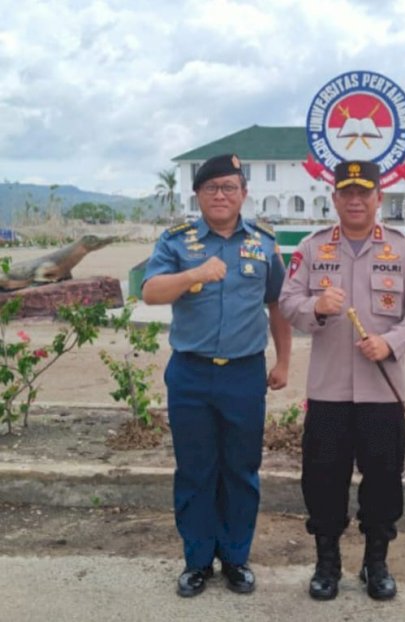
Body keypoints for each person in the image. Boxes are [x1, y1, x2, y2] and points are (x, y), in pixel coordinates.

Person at [278, 160, 405, 602]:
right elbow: (288, 301)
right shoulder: (311, 249)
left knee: (384, 478)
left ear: (378, 198)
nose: (354, 200)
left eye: (363, 193)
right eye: (345, 193)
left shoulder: (404, 250)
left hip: (381, 389)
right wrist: (318, 307)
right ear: (334, 199)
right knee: (323, 477)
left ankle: (376, 562)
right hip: (327, 389)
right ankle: (327, 562)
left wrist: (392, 342)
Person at [141, 154, 291, 598]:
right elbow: (150, 291)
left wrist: (283, 361)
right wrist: (194, 274)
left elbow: (278, 304)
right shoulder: (177, 242)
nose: (221, 195)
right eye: (212, 188)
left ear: (244, 193)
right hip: (190, 373)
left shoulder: (263, 242)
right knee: (195, 469)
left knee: (242, 469)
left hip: (245, 374)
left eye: (229, 187)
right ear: (198, 195)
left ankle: (236, 558)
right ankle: (197, 561)